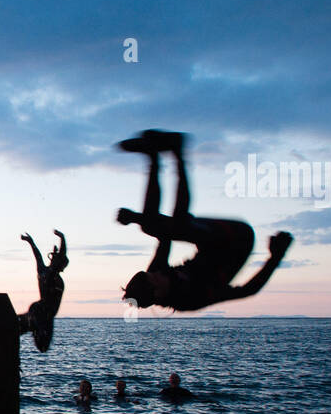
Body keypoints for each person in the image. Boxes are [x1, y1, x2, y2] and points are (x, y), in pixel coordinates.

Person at [116, 130, 291, 312]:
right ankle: (178, 152)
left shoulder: (155, 272)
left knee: (150, 226)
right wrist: (275, 257)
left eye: (150, 274)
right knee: (178, 227)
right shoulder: (191, 299)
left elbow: (163, 237)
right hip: (238, 239)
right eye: (155, 279)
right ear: (158, 294)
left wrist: (137, 219)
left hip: (208, 237)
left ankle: (152, 156)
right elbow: (248, 290)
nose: (156, 272)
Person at [18, 230, 68, 352]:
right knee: (42, 346)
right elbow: (39, 256)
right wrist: (62, 238)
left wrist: (31, 242)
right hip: (42, 314)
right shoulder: (48, 274)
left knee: (41, 345)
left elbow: (38, 256)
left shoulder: (45, 272)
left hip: (39, 312)